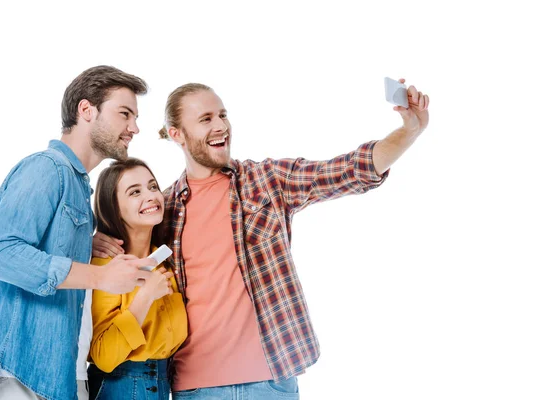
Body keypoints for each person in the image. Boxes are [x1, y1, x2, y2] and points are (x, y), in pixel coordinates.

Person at [93, 79, 430, 399]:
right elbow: (122, 230)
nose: (220, 126)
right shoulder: (164, 209)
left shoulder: (266, 181)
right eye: (206, 119)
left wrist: (408, 131)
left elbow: (347, 170)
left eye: (223, 115)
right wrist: (95, 240)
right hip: (193, 387)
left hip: (270, 383)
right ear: (177, 134)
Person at [0, 65, 159, 400]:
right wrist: (100, 277)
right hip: (24, 377)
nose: (134, 127)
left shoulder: (77, 187)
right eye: (125, 114)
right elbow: (0, 255)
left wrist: (84, 246)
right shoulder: (46, 168)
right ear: (86, 110)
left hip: (62, 378)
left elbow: (43, 254)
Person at [86, 158, 188, 400]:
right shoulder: (104, 266)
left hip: (162, 384)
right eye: (135, 192)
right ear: (114, 208)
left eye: (153, 187)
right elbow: (104, 356)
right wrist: (145, 296)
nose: (151, 195)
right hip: (118, 386)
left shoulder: (165, 262)